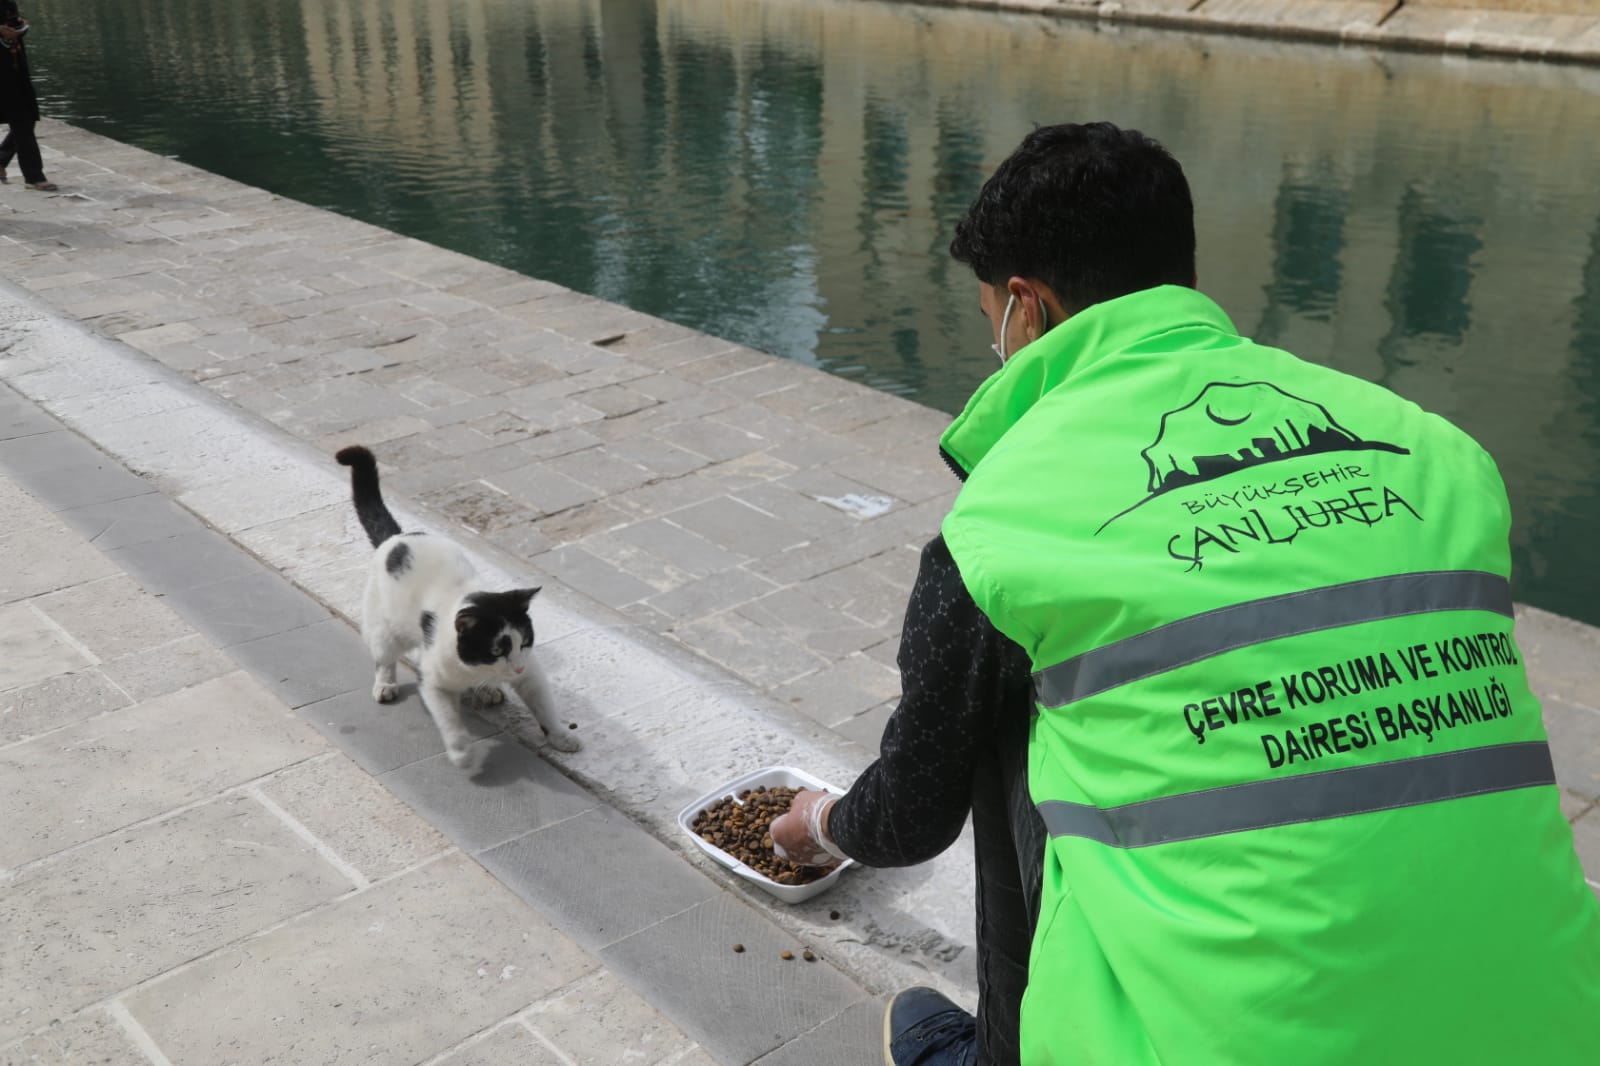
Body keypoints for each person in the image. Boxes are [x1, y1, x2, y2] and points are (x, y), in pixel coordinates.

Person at [772, 121, 1600, 1065]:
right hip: (1554, 1026)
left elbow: (915, 812)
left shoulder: (1006, 520)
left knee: (1010, 702)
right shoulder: (1439, 450)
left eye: (990, 320)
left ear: (1025, 309)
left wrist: (824, 823)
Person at [0, 0, 56, 192]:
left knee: (27, 116)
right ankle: (34, 176)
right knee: (22, 117)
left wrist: (20, 26)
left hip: (15, 65)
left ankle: (6, 161)